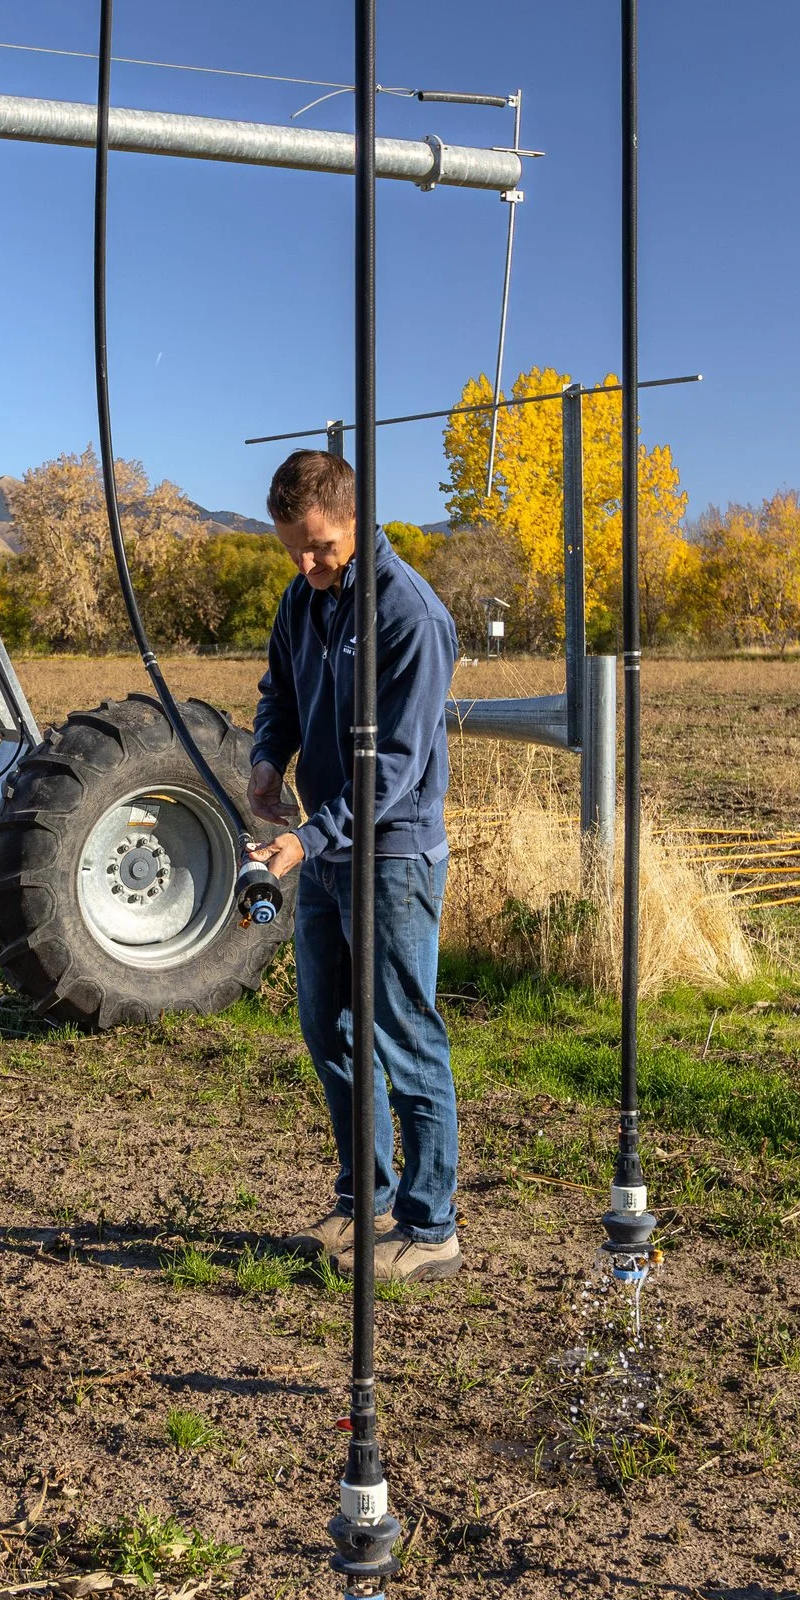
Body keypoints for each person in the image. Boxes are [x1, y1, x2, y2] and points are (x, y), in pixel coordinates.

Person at [245, 449, 463, 1281]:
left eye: (320, 546)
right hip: (326, 850)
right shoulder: (304, 600)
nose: (306, 564)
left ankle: (430, 1221)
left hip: (391, 854)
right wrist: (270, 757)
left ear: (354, 517)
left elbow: (395, 765)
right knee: (329, 1030)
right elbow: (281, 695)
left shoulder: (410, 615)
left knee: (403, 1035)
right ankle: (363, 1200)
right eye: (293, 549)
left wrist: (308, 836)